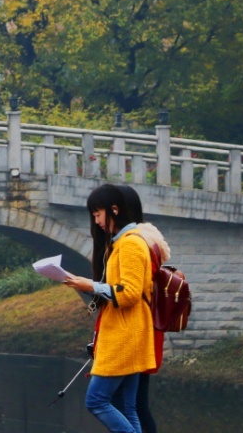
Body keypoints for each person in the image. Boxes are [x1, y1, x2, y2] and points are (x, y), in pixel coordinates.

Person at [63, 183, 156, 433]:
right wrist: (89, 286)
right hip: (129, 333)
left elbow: (130, 293)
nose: (96, 221)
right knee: (128, 407)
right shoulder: (121, 243)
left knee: (96, 400)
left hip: (125, 336)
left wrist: (91, 285)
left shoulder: (130, 244)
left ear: (114, 209)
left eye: (98, 214)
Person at [117, 184, 169, 433]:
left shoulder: (135, 244)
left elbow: (130, 292)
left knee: (125, 402)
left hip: (135, 331)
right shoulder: (146, 242)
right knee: (134, 402)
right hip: (141, 330)